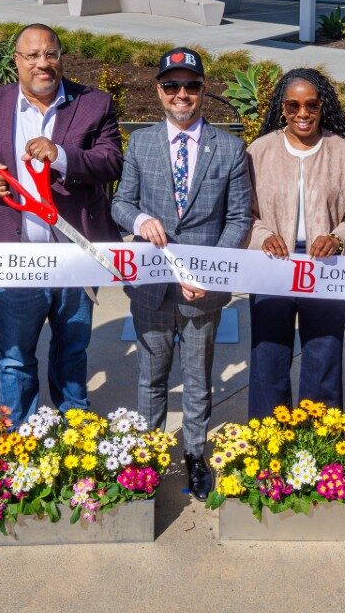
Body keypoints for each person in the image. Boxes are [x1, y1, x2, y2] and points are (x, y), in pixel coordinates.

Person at [0, 24, 122, 424]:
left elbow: (111, 161)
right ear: (17, 61)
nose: (43, 63)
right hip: (13, 258)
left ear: (61, 57)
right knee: (15, 355)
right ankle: (18, 432)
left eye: (51, 54)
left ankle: (75, 429)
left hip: (74, 257)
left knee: (73, 349)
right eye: (33, 55)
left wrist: (61, 155)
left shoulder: (94, 104)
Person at [109, 48, 252, 498]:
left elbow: (239, 219)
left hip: (200, 293)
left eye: (190, 85)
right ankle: (148, 457)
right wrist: (137, 222)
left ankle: (194, 454)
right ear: (159, 91)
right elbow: (120, 203)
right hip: (151, 286)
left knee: (197, 378)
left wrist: (209, 273)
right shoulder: (143, 143)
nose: (182, 94)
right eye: (172, 86)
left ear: (203, 90)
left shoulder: (229, 148)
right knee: (150, 377)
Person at [245, 69, 345, 418]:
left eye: (311, 105)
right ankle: (267, 443)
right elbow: (242, 212)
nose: (302, 113)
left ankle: (321, 450)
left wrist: (338, 238)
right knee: (268, 358)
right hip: (272, 266)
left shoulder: (343, 152)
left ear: (323, 106)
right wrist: (262, 236)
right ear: (282, 109)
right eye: (293, 106)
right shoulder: (259, 152)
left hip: (326, 268)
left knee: (323, 357)